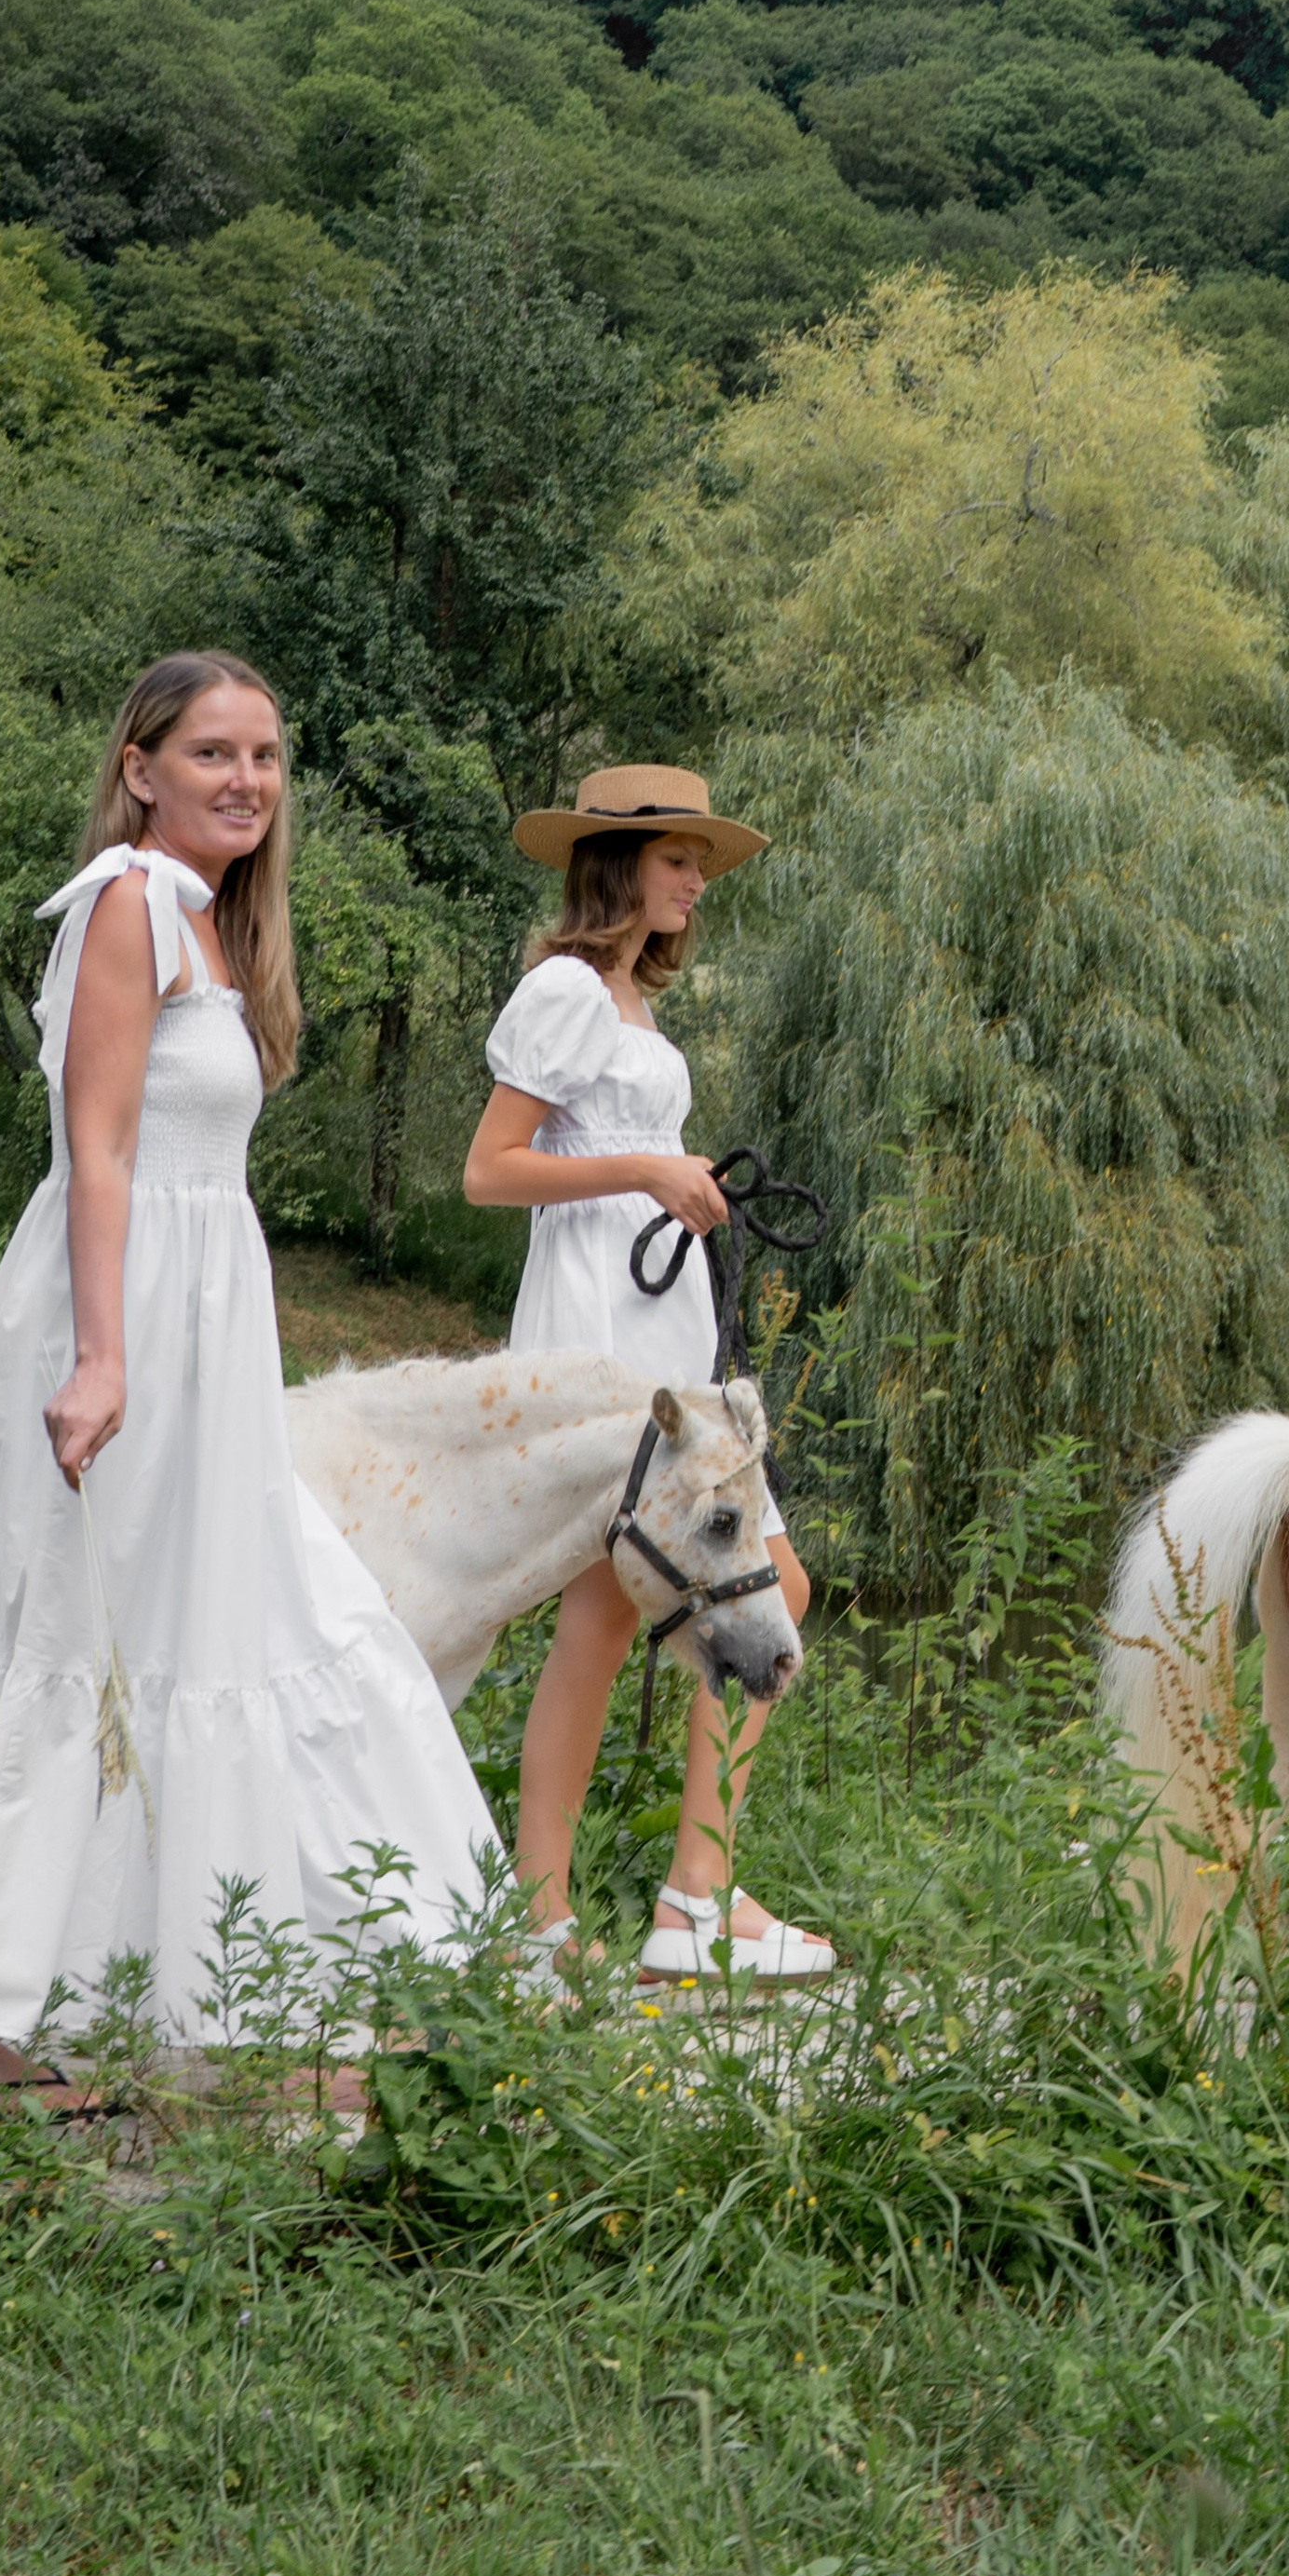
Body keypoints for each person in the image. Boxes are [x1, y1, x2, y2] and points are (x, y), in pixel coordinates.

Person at [0, 654, 500, 2107]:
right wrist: (106, 1356)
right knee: (78, 1646)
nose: (245, 779)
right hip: (112, 1315)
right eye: (211, 753)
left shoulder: (208, 923)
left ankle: (261, 2002)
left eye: (264, 754)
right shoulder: (127, 904)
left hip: (202, 1319)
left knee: (230, 1639)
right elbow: (101, 1148)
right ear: (140, 767)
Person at [462, 764, 833, 1983]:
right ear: (620, 865)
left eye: (702, 865)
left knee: (763, 1584)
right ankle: (561, 1916)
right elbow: (493, 1170)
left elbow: (615, 1151)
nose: (696, 882)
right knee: (610, 1615)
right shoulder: (566, 988)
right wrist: (645, 1172)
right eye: (680, 859)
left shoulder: (628, 1003)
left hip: (662, 1328)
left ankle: (682, 1897)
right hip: (596, 1331)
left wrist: (679, 1185)